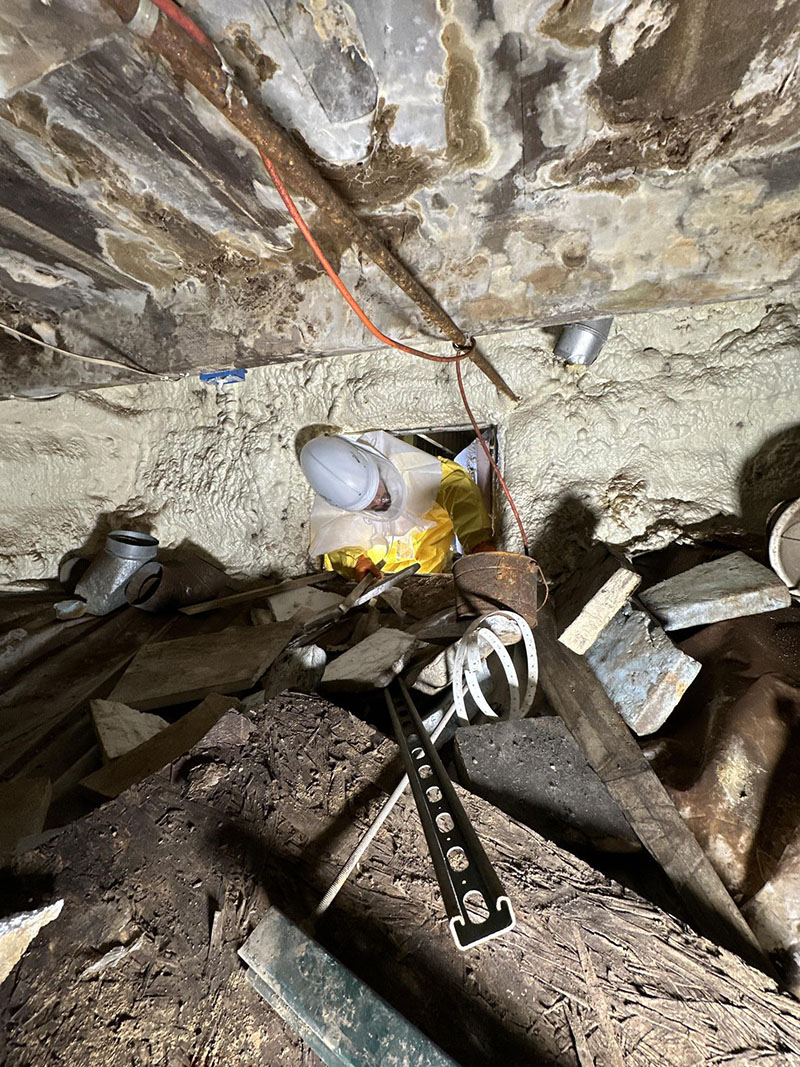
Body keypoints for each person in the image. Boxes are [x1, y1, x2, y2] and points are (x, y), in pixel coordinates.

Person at [300, 430, 496, 579]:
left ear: (377, 467)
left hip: (435, 576)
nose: (379, 502)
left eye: (378, 491)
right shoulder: (335, 510)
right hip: (383, 588)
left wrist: (479, 542)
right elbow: (337, 545)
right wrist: (357, 562)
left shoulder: (427, 473)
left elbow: (458, 488)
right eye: (369, 505)